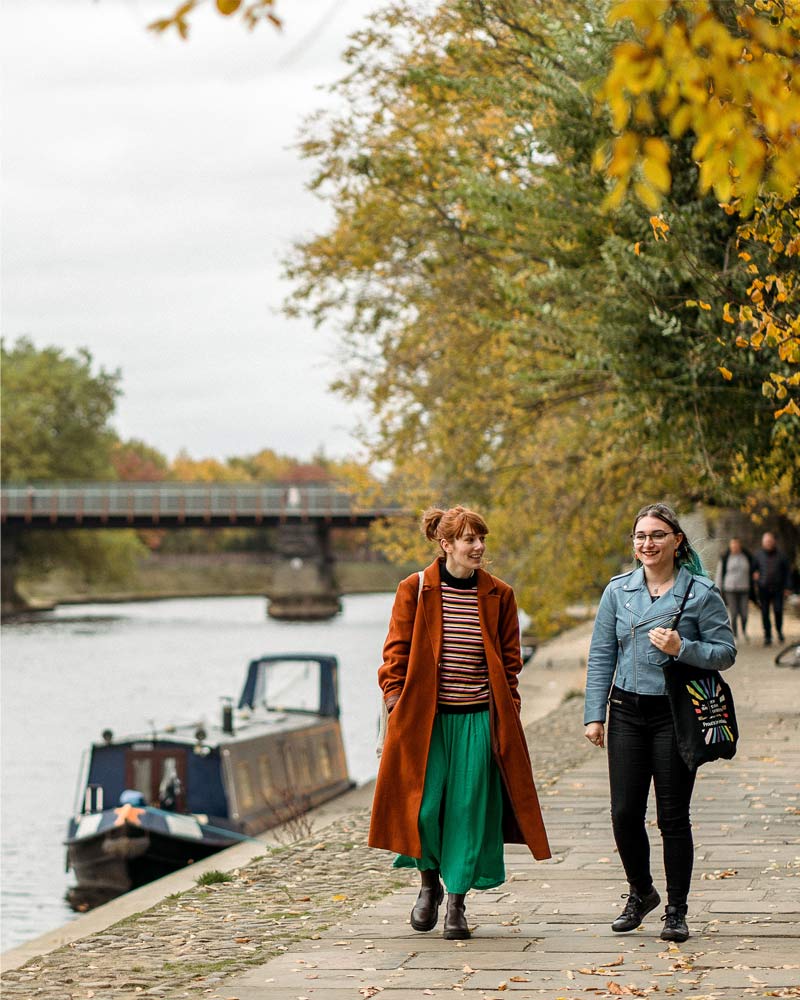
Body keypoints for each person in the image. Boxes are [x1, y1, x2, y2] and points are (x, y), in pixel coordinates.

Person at [368, 505, 550, 940]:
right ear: (445, 544)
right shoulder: (415, 589)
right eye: (469, 540)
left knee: (468, 813)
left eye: (481, 539)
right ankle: (427, 885)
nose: (479, 547)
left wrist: (509, 712)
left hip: (478, 721)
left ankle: (456, 904)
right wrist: (395, 703)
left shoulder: (499, 594)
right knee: (426, 809)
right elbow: (394, 655)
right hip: (424, 724)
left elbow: (510, 662)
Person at [584, 502, 735, 943]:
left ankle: (676, 910)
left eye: (656, 535)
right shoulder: (617, 591)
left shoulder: (701, 593)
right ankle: (641, 892)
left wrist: (682, 646)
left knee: (673, 816)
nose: (646, 543)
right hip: (627, 711)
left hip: (675, 713)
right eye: (640, 536)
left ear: (677, 541)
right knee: (625, 812)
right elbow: (600, 655)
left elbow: (725, 652)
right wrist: (595, 714)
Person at [752, 532, 792, 646]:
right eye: (766, 542)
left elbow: (788, 572)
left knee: (778, 610)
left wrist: (788, 587)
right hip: (763, 589)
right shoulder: (758, 555)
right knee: (764, 613)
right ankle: (767, 635)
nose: (768, 543)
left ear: (773, 542)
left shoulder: (781, 555)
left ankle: (779, 631)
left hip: (778, 588)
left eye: (770, 541)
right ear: (763, 543)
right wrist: (755, 577)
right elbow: (753, 570)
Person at [715, 537, 753, 640]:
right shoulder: (725, 557)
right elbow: (719, 574)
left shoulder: (746, 556)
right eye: (733, 545)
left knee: (744, 613)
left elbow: (752, 570)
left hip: (744, 588)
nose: (734, 547)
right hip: (730, 589)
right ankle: (735, 635)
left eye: (736, 545)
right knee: (734, 613)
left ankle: (744, 631)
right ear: (730, 546)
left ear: (739, 545)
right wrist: (717, 589)